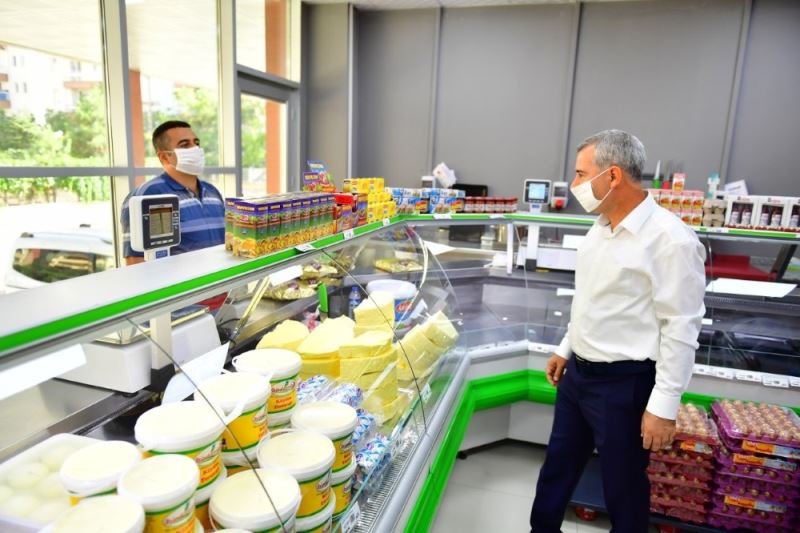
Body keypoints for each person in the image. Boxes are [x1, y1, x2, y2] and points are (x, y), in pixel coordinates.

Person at [530, 130, 706, 533]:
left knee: (623, 487)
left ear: (612, 176)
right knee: (557, 467)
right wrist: (565, 348)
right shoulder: (600, 227)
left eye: (580, 174)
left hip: (624, 385)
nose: (574, 184)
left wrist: (663, 406)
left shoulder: (671, 240)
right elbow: (590, 299)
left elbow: (680, 328)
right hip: (578, 377)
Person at [121, 120, 225, 265]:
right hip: (182, 281)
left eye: (196, 143)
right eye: (184, 145)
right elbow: (136, 261)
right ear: (164, 157)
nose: (195, 149)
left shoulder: (212, 192)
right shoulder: (148, 196)